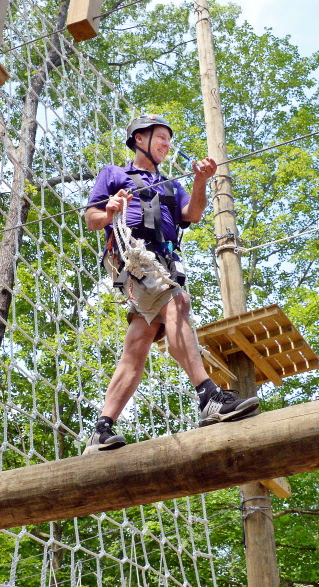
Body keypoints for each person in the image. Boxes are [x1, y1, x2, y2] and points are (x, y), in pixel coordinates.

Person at [83, 114, 259, 454]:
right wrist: (110, 209)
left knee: (138, 343)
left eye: (167, 138)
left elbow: (191, 215)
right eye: (160, 137)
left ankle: (102, 429)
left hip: (163, 260)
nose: (166, 144)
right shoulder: (115, 174)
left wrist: (199, 180)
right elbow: (91, 218)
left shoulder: (170, 184)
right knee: (178, 303)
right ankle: (208, 395)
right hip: (132, 255)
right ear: (139, 139)